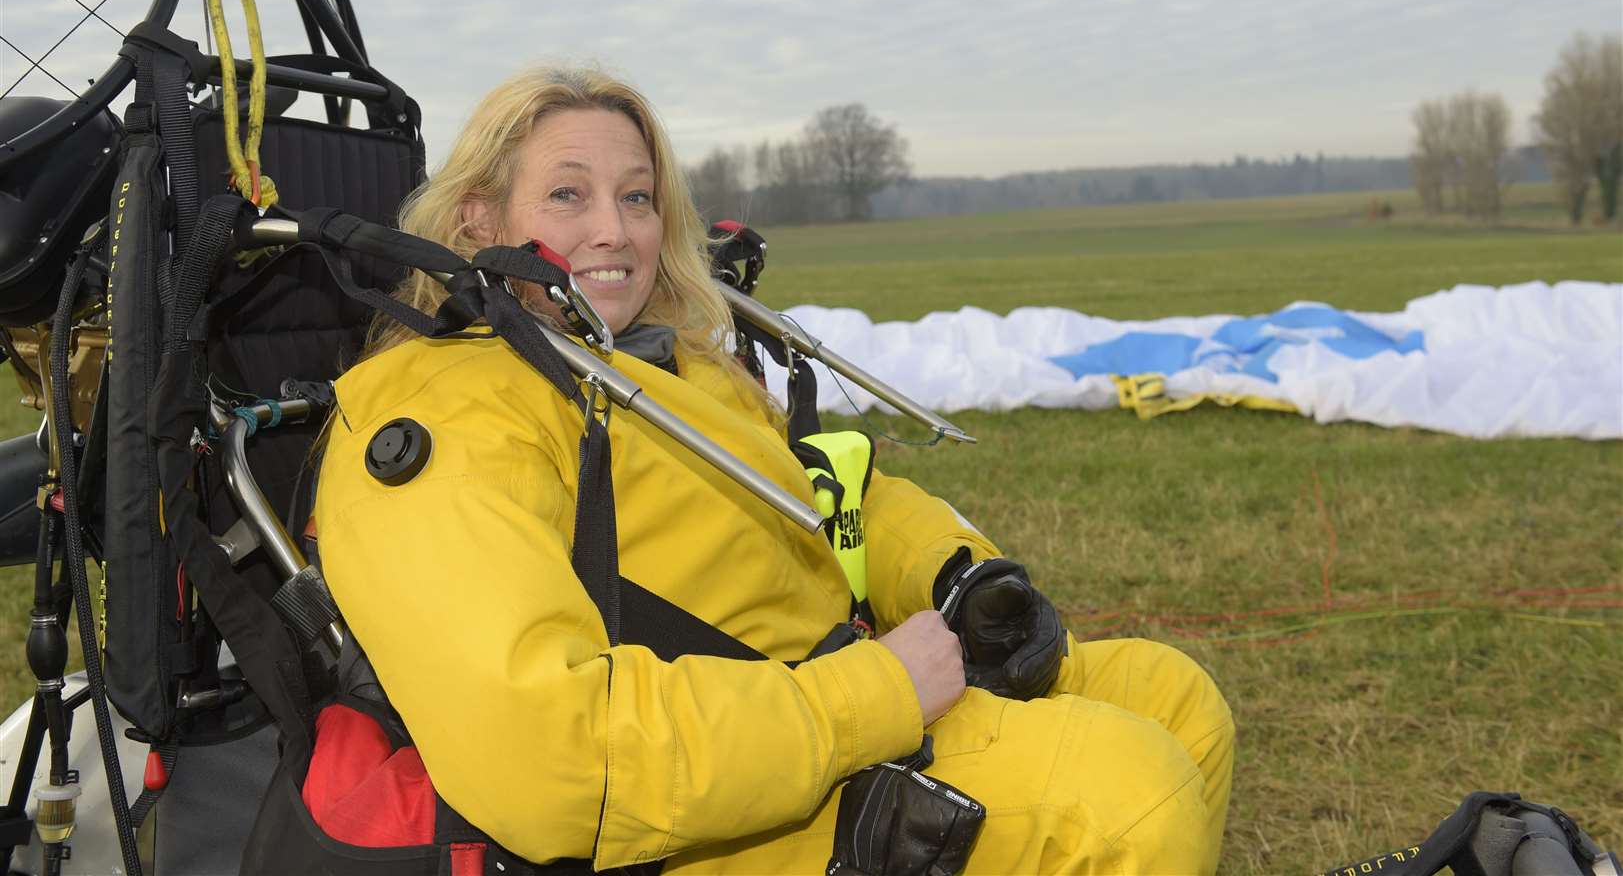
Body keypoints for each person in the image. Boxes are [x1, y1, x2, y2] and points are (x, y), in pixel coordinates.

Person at [305, 66, 1234, 874]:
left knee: (1175, 698)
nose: (613, 231)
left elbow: (827, 491)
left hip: (818, 708)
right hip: (693, 819)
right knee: (1128, 798)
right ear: (477, 218)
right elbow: (547, 754)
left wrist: (952, 572)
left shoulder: (672, 365)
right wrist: (873, 697)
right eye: (566, 196)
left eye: (636, 198)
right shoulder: (437, 414)